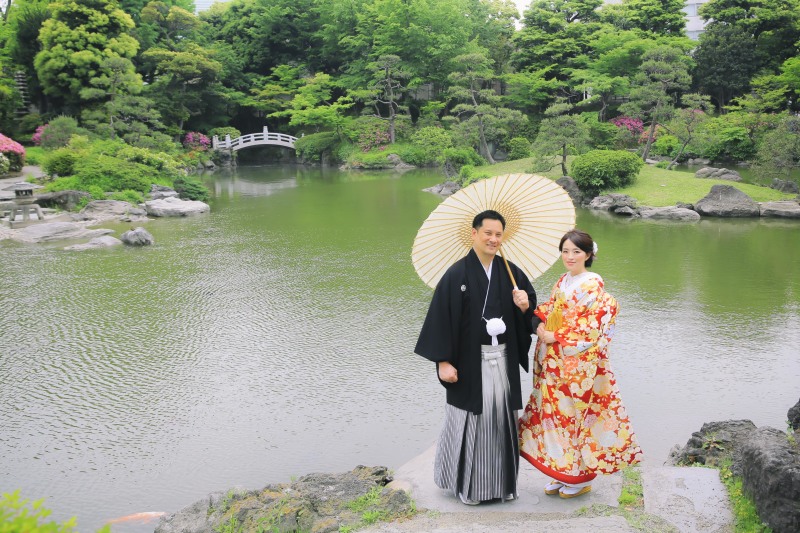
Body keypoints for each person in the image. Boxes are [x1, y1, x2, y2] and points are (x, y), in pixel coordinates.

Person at [415, 209, 537, 505]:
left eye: (498, 234)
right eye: (488, 233)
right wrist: (443, 361)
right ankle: (470, 488)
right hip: (470, 364)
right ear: (474, 234)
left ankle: (503, 486)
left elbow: (532, 312)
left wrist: (525, 305)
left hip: (502, 361)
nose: (493, 239)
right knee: (472, 421)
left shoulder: (512, 272)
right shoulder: (456, 274)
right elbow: (440, 319)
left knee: (502, 422)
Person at [518, 229, 642, 499]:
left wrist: (559, 336)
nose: (570, 256)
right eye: (565, 251)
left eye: (576, 251)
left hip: (576, 367)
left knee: (575, 419)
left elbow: (592, 328)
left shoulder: (592, 286)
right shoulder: (563, 281)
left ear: (588, 254)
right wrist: (537, 321)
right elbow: (551, 310)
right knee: (553, 418)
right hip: (554, 362)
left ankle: (579, 477)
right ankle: (559, 471)